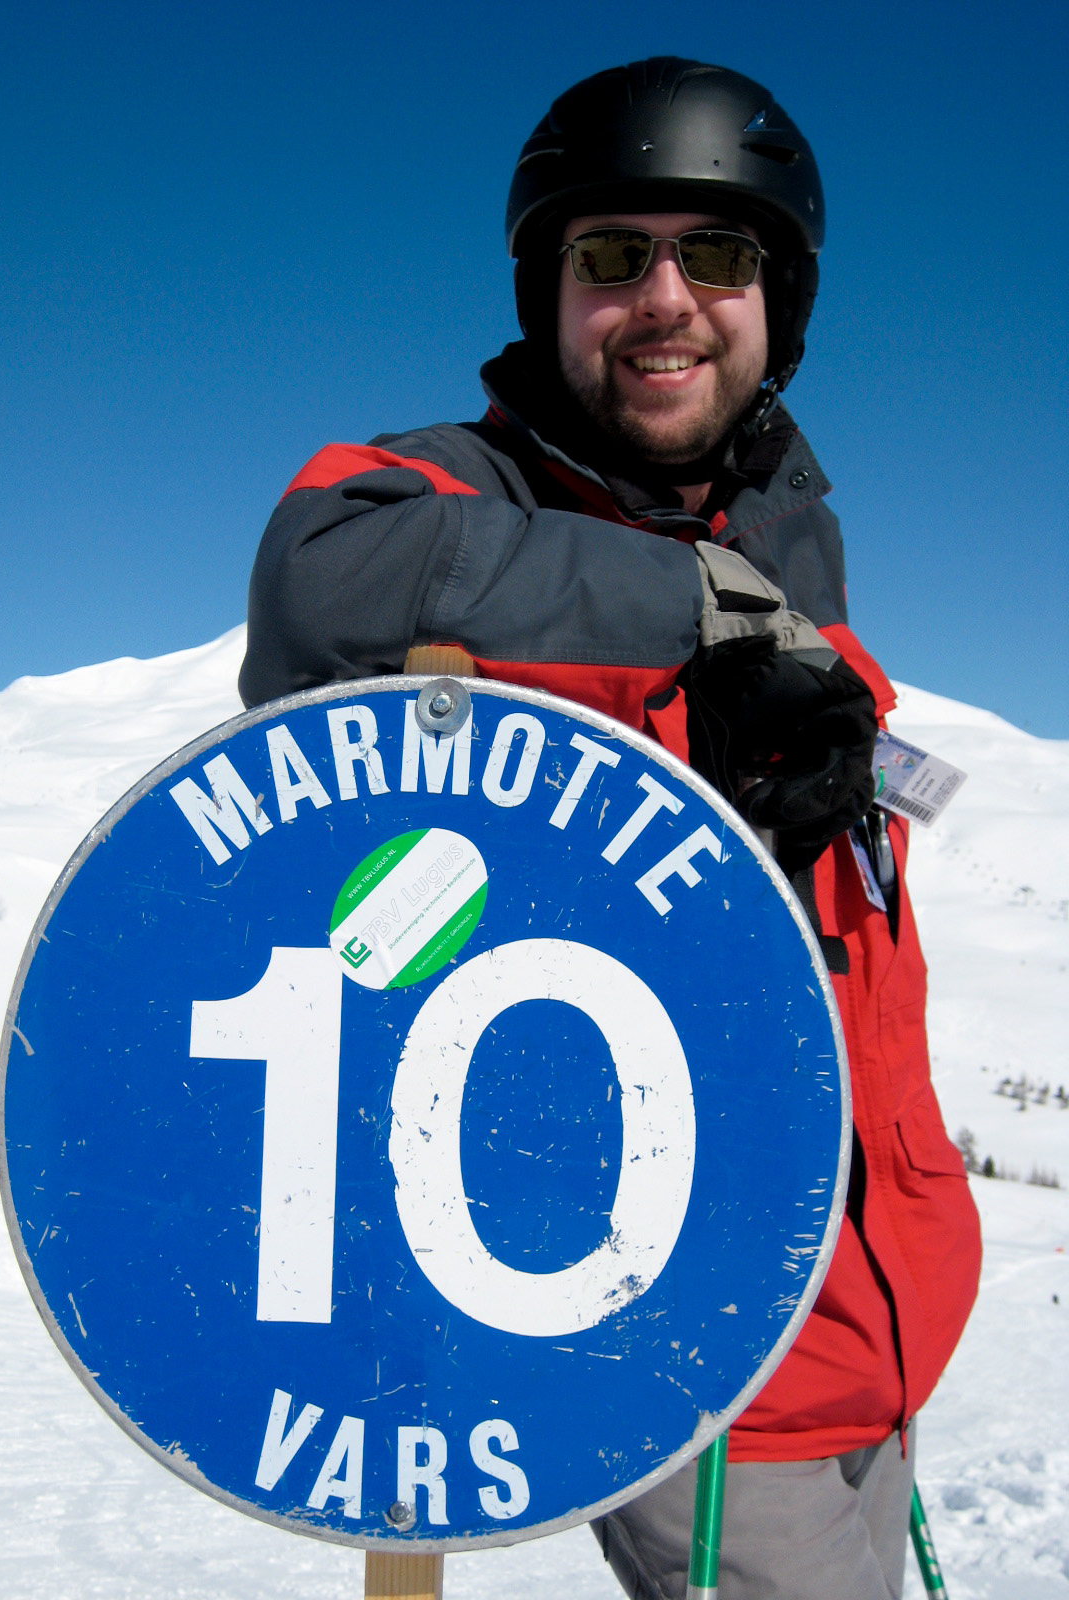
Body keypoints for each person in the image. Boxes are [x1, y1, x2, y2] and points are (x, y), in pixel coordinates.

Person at [239, 57, 981, 1600]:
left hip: (883, 1318)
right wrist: (698, 618)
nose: (663, 297)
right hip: (697, 1349)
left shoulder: (794, 524)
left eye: (717, 256)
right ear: (545, 287)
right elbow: (319, 580)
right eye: (609, 255)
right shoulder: (450, 486)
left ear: (779, 301)